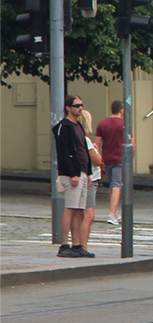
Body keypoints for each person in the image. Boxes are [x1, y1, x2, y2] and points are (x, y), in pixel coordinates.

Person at [53, 94, 95, 258]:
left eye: (81, 105)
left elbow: (83, 149)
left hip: (82, 172)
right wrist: (72, 173)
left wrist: (88, 172)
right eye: (77, 105)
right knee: (70, 208)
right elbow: (64, 153)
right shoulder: (64, 127)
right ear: (68, 108)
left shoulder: (78, 126)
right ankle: (64, 244)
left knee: (79, 210)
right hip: (72, 174)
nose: (80, 108)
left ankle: (77, 245)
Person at [95, 100, 126, 225]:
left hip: (107, 158)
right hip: (120, 158)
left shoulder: (102, 124)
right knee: (117, 185)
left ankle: (115, 211)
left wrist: (99, 159)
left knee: (112, 184)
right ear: (121, 110)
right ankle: (112, 214)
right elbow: (131, 142)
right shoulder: (124, 124)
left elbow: (97, 144)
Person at [82, 133, 104, 252]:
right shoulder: (86, 140)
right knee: (88, 215)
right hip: (90, 178)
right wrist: (96, 150)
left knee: (80, 213)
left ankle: (79, 243)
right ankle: (82, 245)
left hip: (85, 177)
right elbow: (97, 160)